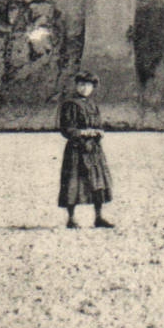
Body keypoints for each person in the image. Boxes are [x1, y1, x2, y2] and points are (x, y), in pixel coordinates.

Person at [58, 71, 114, 228]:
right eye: (81, 84)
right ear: (76, 86)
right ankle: (71, 218)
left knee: (98, 182)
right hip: (77, 149)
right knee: (73, 182)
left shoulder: (92, 105)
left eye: (88, 85)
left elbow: (98, 124)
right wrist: (83, 132)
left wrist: (99, 131)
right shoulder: (70, 105)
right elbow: (66, 129)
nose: (84, 88)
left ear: (93, 88)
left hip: (94, 150)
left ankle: (98, 217)